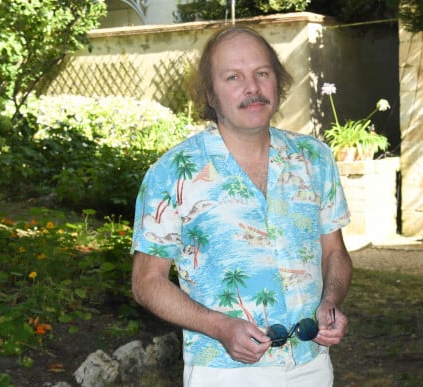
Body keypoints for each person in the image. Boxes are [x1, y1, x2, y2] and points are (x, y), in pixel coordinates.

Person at [131, 25, 353, 386]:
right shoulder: (173, 173)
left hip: (312, 365)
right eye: (234, 77)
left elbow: (335, 253)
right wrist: (219, 327)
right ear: (210, 94)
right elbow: (146, 282)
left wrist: (329, 302)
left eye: (262, 73)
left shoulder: (315, 158)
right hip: (223, 371)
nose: (253, 88)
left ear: (276, 81)